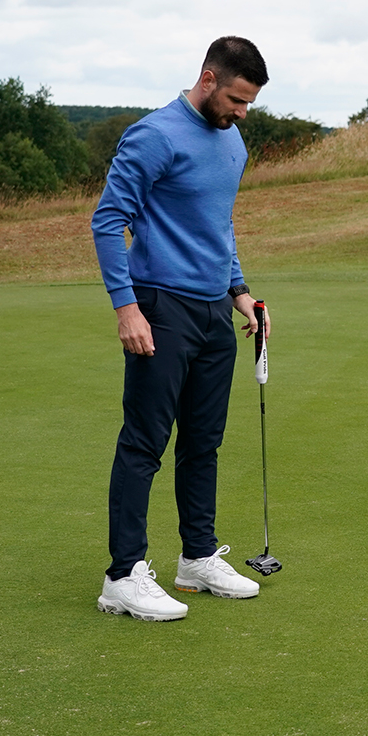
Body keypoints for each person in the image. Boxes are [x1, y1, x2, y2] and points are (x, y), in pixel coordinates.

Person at [91, 36, 272, 620]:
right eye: (237, 99)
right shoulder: (155, 135)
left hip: (212, 312)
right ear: (208, 77)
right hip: (159, 307)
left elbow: (218, 225)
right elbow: (108, 221)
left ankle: (196, 558)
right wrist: (127, 308)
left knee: (204, 443)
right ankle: (123, 575)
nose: (242, 113)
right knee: (144, 443)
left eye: (249, 104)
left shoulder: (233, 141)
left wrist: (239, 291)